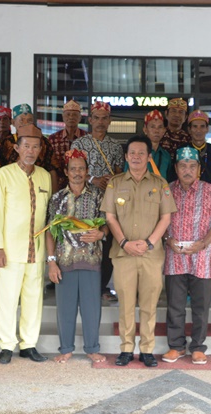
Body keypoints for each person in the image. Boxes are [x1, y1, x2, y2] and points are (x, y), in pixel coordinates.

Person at [101, 135, 176, 367]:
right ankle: (125, 349)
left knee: (149, 304)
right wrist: (124, 242)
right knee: (125, 305)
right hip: (123, 254)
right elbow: (110, 217)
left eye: (141, 153)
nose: (136, 157)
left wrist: (150, 242)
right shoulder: (115, 183)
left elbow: (166, 217)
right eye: (132, 153)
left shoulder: (160, 184)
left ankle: (146, 350)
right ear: (126, 156)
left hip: (151, 255)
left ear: (148, 156)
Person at [0, 124, 53, 364]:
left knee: (33, 298)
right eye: (26, 146)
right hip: (10, 249)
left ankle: (29, 344)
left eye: (35, 146)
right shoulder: (4, 174)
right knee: (7, 299)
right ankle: (7, 345)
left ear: (41, 150)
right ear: (17, 148)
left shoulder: (44, 176)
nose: (31, 151)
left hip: (36, 251)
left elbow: (49, 216)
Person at [162, 146, 211, 365]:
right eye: (183, 166)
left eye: (192, 166)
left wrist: (203, 243)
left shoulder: (210, 191)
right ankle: (176, 346)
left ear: (199, 169)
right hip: (175, 257)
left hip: (202, 258)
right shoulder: (167, 190)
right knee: (175, 305)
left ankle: (198, 347)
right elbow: (159, 221)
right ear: (176, 168)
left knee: (201, 306)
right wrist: (167, 240)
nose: (187, 170)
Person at [45, 148, 108, 364]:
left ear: (87, 171)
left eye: (81, 168)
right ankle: (66, 349)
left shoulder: (99, 195)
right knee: (65, 309)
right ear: (66, 171)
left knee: (92, 308)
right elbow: (50, 232)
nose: (77, 173)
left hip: (91, 260)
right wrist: (51, 262)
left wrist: (101, 233)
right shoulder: (57, 199)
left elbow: (108, 224)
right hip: (65, 262)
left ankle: (92, 348)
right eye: (73, 169)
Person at [72, 101, 124, 303]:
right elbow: (73, 171)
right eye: (97, 118)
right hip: (85, 201)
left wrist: (113, 181)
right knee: (84, 242)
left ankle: (102, 287)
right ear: (90, 120)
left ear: (109, 121)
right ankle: (82, 287)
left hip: (109, 202)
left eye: (104, 118)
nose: (100, 122)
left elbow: (120, 174)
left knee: (107, 244)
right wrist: (93, 179)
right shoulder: (79, 144)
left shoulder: (115, 146)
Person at [0, 104, 59, 189]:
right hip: (12, 188)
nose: (25, 124)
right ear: (13, 122)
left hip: (39, 187)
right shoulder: (6, 143)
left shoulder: (43, 142)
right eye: (21, 120)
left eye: (29, 120)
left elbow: (52, 170)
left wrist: (53, 196)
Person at [48, 99, 88, 185]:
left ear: (80, 118)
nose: (71, 117)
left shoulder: (87, 138)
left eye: (74, 115)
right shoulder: (53, 139)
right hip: (59, 184)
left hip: (82, 183)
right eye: (68, 114)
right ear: (63, 117)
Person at [128, 110, 173, 181]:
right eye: (152, 127)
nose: (156, 131)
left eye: (160, 127)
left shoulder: (166, 155)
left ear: (164, 131)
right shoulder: (135, 153)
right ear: (145, 130)